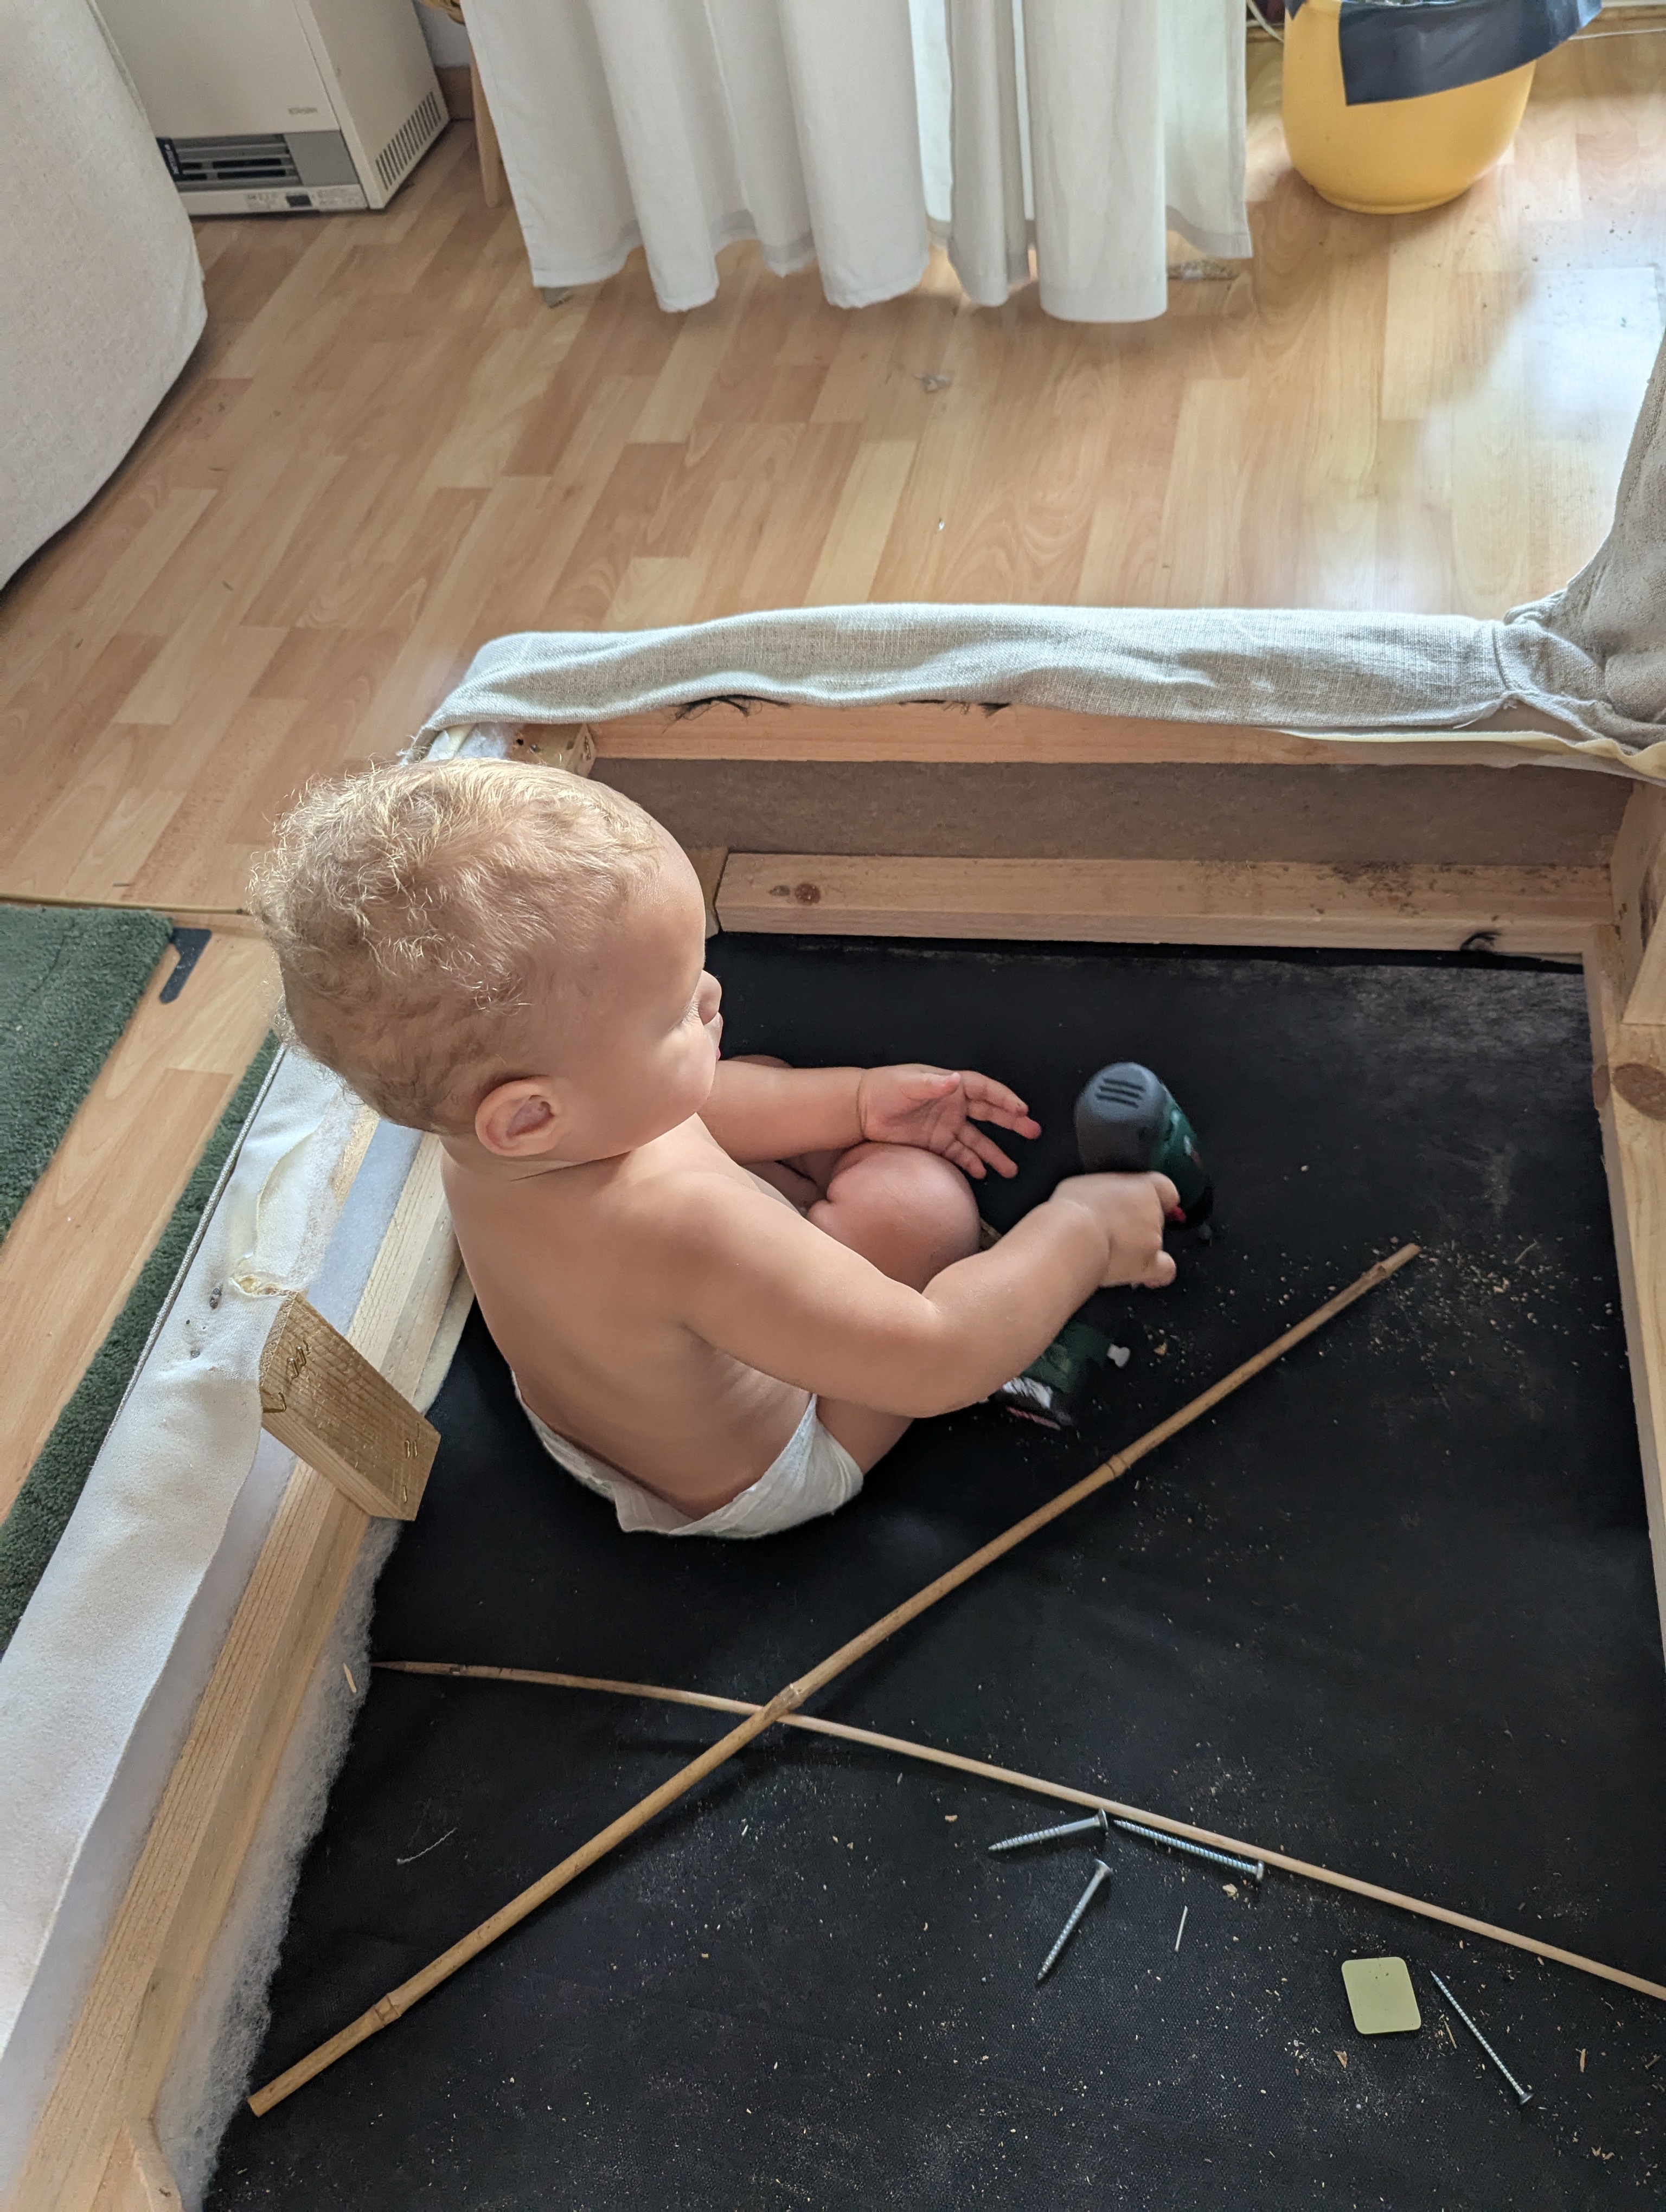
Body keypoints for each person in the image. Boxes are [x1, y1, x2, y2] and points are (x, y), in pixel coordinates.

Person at [251, 758, 1176, 1538]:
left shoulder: (493, 1141)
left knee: (742, 1083)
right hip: (771, 1468)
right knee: (918, 1204)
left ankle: (789, 1144)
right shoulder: (686, 1227)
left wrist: (856, 1101)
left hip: (598, 1418)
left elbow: (698, 1109)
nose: (711, 996)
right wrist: (1083, 1231)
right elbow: (937, 1359)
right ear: (531, 1115)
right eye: (675, 1012)